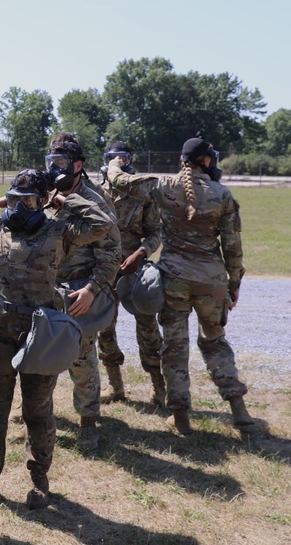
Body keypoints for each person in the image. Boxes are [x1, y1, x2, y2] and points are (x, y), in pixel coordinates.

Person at [0, 168, 113, 511]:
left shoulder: (61, 229)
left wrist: (64, 200)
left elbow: (101, 224)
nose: (21, 207)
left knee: (37, 411)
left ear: (42, 201)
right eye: (16, 199)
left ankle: (39, 481)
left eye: (28, 200)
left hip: (41, 332)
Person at [107, 133, 252, 435]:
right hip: (212, 280)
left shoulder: (164, 186)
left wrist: (115, 163)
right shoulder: (223, 195)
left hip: (174, 279)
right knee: (214, 342)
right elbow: (233, 248)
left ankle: (180, 416)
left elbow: (122, 181)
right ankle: (239, 411)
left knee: (175, 347)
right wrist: (234, 283)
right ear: (208, 161)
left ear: (183, 161)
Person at [44, 132, 122, 450]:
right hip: (46, 290)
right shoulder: (44, 194)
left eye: (61, 162)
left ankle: (88, 422)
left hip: (79, 291)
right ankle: (35, 412)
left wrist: (92, 289)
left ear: (78, 165)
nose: (54, 168)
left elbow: (111, 253)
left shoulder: (96, 200)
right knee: (39, 353)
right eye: (51, 162)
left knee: (81, 357)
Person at [98, 141, 166, 406]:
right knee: (104, 328)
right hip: (105, 270)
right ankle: (115, 386)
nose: (117, 161)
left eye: (122, 157)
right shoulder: (97, 192)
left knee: (148, 328)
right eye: (112, 157)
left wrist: (140, 253)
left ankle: (159, 387)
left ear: (129, 161)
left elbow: (155, 232)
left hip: (135, 271)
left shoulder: (141, 193)